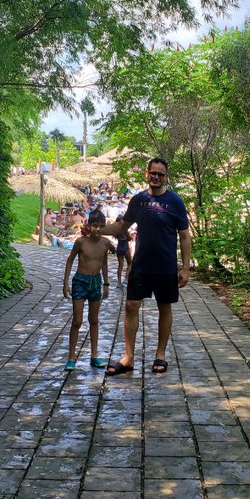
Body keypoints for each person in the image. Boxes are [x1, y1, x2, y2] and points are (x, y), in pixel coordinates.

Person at [86, 157, 191, 376]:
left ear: (166, 177)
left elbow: (184, 236)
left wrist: (185, 268)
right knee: (131, 306)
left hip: (166, 264)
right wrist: (97, 231)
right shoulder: (138, 201)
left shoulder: (175, 202)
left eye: (161, 174)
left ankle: (160, 354)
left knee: (165, 307)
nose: (156, 177)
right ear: (147, 174)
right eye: (153, 173)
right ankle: (128, 357)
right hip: (141, 263)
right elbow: (122, 227)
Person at [62, 208, 113, 371]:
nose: (98, 229)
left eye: (101, 226)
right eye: (95, 225)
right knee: (77, 321)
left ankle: (94, 355)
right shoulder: (80, 242)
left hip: (96, 282)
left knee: (94, 320)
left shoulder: (105, 243)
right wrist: (66, 283)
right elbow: (70, 261)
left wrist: (106, 284)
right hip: (80, 281)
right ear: (89, 225)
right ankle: (71, 356)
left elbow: (104, 263)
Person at [114, 214, 132, 288]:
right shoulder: (124, 229)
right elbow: (129, 238)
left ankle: (118, 282)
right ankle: (126, 279)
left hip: (119, 247)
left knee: (120, 265)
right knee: (130, 263)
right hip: (125, 247)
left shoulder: (115, 230)